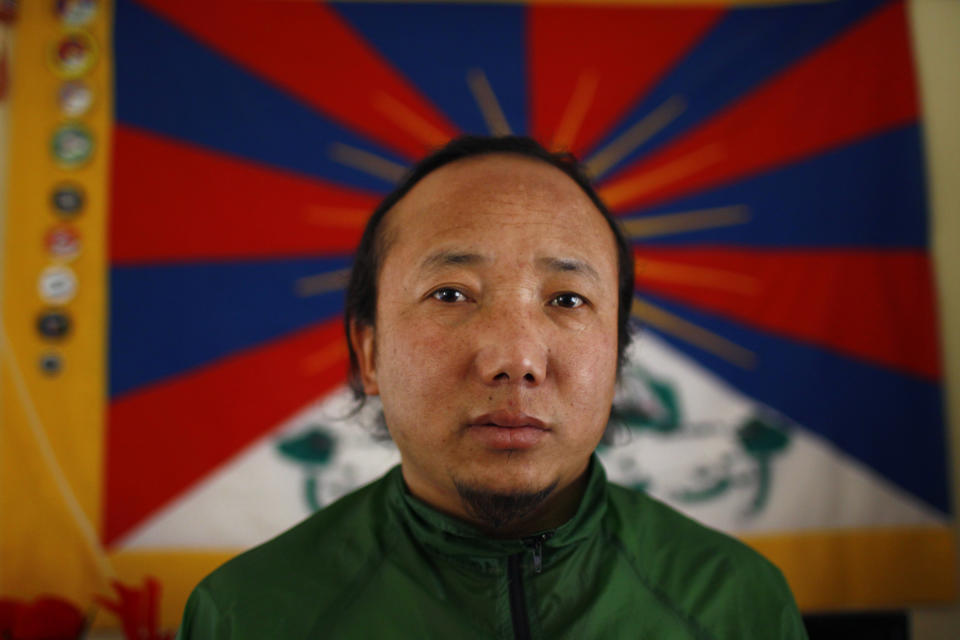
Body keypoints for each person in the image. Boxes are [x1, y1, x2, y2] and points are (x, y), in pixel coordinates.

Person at [176, 136, 807, 639]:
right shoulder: (245, 615)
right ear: (368, 354)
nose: (516, 359)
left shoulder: (736, 605)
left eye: (567, 298)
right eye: (450, 294)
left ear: (617, 355)